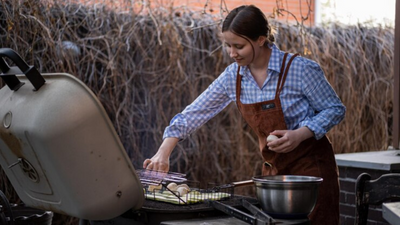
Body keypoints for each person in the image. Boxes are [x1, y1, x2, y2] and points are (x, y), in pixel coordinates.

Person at [143, 5, 345, 224]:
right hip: (274, 177)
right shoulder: (234, 77)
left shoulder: (300, 69)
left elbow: (334, 108)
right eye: (228, 45)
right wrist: (163, 152)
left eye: (238, 46)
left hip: (312, 175)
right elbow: (193, 114)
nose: (232, 53)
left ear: (260, 39)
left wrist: (301, 134)